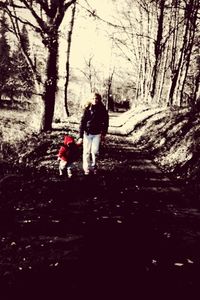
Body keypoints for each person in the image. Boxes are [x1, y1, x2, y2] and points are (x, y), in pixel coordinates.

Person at [78, 92, 109, 175]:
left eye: (96, 98)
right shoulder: (87, 109)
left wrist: (104, 133)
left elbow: (106, 122)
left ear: (99, 99)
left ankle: (94, 166)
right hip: (87, 133)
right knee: (86, 152)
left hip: (97, 133)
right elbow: (82, 123)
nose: (94, 100)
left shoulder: (102, 109)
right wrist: (80, 136)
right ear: (90, 99)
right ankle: (86, 168)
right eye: (93, 98)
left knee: (95, 152)